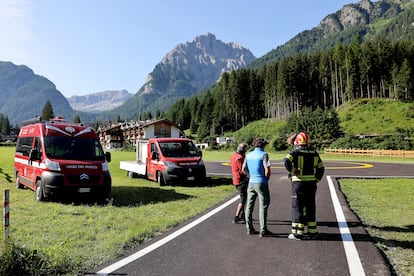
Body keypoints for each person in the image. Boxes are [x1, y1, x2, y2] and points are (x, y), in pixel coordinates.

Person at [283, 132, 325, 240]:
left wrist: (293, 170)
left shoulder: (295, 152)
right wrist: (317, 179)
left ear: (297, 141)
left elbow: (286, 161)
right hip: (311, 184)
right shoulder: (314, 153)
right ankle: (313, 232)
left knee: (298, 207)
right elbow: (321, 167)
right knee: (311, 206)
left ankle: (297, 233)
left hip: (299, 183)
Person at [242, 137, 272, 237]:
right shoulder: (264, 154)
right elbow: (267, 170)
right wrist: (266, 179)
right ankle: (263, 229)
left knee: (249, 206)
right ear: (263, 145)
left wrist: (250, 176)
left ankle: (249, 228)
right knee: (263, 206)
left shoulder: (248, 155)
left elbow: (243, 170)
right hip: (261, 182)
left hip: (251, 182)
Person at [230, 143, 248, 224]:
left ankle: (242, 215)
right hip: (241, 180)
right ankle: (236, 216)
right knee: (243, 198)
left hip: (236, 179)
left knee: (244, 197)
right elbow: (242, 170)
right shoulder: (240, 158)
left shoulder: (233, 156)